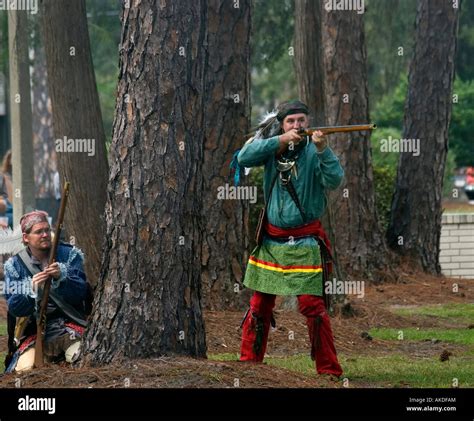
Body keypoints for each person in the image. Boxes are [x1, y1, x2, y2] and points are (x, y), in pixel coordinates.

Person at [237, 100, 344, 378]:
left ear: (308, 123)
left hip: (306, 242)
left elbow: (335, 180)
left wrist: (323, 149)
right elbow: (244, 158)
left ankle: (328, 370)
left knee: (312, 306)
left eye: (301, 121)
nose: (297, 126)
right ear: (282, 125)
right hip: (271, 242)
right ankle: (249, 365)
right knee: (260, 305)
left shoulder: (315, 151)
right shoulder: (274, 146)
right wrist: (279, 141)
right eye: (291, 121)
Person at [3, 211, 88, 372]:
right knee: (24, 369)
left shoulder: (70, 254)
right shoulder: (14, 266)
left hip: (69, 326)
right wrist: (30, 289)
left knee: (80, 358)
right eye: (38, 232)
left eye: (46, 230)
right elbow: (15, 308)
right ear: (26, 237)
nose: (44, 235)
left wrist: (61, 277)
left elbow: (80, 293)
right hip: (35, 333)